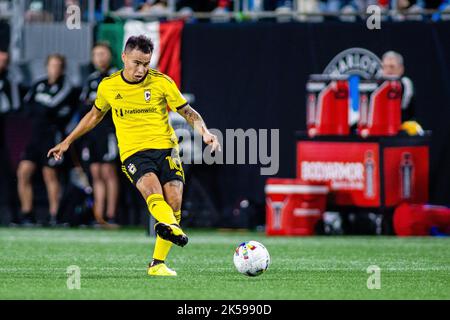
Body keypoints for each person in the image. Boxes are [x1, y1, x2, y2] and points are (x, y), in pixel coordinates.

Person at [48, 35, 221, 276]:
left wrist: (205, 132)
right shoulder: (108, 86)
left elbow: (188, 112)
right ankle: (171, 226)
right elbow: (94, 115)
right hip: (133, 153)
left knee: (174, 202)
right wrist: (67, 141)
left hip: (166, 148)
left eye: (146, 64)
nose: (141, 70)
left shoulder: (162, 82)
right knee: (153, 192)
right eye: (136, 63)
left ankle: (157, 264)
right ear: (124, 57)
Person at [17, 54, 76, 226]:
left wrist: (39, 107)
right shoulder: (39, 84)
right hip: (35, 136)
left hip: (52, 136)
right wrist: (39, 108)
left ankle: (54, 215)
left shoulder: (66, 85)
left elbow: (51, 106)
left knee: (50, 174)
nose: (54, 69)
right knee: (23, 172)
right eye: (51, 65)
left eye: (58, 65)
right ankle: (27, 214)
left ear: (62, 68)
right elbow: (26, 106)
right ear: (46, 66)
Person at [79, 43, 120, 226]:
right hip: (92, 131)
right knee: (95, 172)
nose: (100, 58)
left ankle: (111, 215)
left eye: (103, 54)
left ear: (110, 56)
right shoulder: (92, 79)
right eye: (96, 54)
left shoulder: (117, 77)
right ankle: (99, 215)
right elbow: (84, 104)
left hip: (109, 130)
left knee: (108, 171)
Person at [0, 50, 21, 225]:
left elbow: (14, 106)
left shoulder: (9, 80)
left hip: (2, 135)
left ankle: (12, 215)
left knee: (7, 176)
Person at [381, 51, 415, 122]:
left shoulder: (406, 84)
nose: (389, 70)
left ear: (401, 69)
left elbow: (405, 109)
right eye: (385, 66)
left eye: (392, 66)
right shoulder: (375, 85)